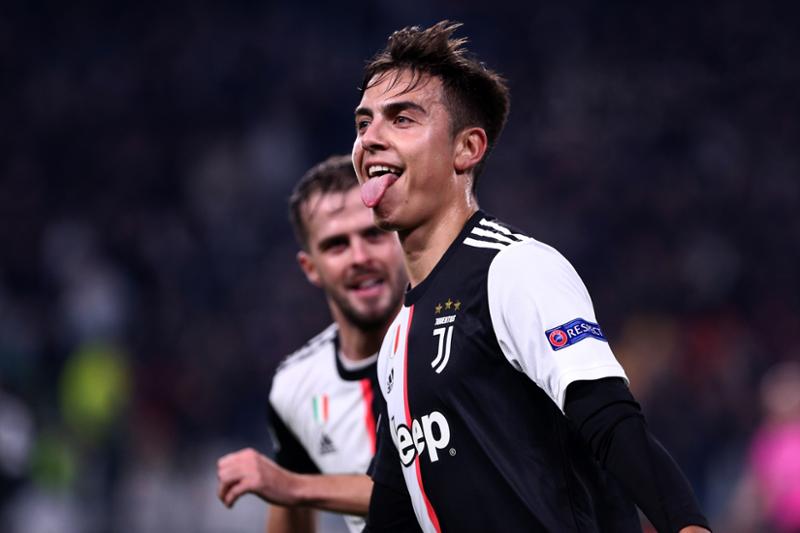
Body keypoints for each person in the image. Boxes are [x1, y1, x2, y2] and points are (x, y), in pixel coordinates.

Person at [353, 21, 712, 533]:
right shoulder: (396, 342)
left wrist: (687, 526)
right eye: (363, 123)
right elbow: (393, 512)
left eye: (402, 119)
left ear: (466, 148)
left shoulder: (515, 270)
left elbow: (611, 421)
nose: (370, 138)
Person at [216, 155, 408, 533]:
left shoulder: (453, 342)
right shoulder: (296, 388)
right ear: (310, 268)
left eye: (373, 235)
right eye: (337, 245)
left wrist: (293, 485)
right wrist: (290, 489)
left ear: (400, 238)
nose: (360, 257)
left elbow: (445, 488)